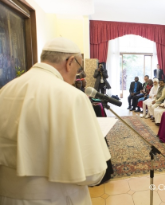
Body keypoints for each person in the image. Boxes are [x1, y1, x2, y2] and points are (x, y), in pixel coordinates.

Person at [0, 37, 111, 204]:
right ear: (70, 62)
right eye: (79, 68)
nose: (77, 75)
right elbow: (92, 173)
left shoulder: (6, 89)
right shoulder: (72, 96)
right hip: (56, 198)